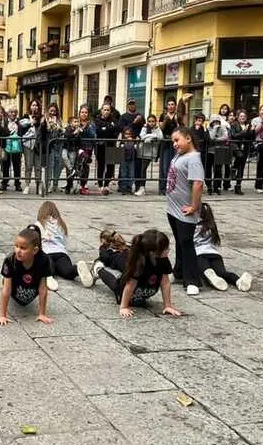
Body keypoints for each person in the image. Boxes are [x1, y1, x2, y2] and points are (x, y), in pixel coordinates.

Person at [99, 229, 182, 319]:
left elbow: (165, 282)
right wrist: (124, 307)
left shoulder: (163, 260)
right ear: (152, 252)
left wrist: (168, 305)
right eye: (165, 249)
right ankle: (98, 269)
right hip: (124, 290)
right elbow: (130, 285)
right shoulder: (139, 264)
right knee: (115, 281)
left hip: (142, 292)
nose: (168, 249)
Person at [166, 126, 205, 297]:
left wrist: (194, 206)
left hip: (185, 210)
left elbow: (198, 183)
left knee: (186, 242)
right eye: (173, 141)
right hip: (173, 208)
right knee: (179, 241)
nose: (174, 144)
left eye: (177, 140)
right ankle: (179, 271)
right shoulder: (180, 154)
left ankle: (192, 280)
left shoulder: (193, 158)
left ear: (188, 138)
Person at [0, 225, 53, 326]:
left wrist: (42, 314)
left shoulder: (43, 260)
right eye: (16, 246)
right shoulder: (10, 260)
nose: (18, 251)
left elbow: (43, 288)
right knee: (6, 281)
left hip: (32, 288)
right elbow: (7, 288)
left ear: (35, 250)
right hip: (15, 289)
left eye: (23, 248)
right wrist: (2, 315)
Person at [194, 203, 253, 292]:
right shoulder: (211, 225)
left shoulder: (194, 226)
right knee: (222, 273)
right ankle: (238, 281)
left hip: (199, 254)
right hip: (215, 254)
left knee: (205, 272)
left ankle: (210, 274)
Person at [35, 201, 78, 290]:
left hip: (46, 253)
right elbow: (64, 241)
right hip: (61, 253)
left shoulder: (38, 224)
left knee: (49, 267)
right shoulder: (61, 224)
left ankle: (48, 275)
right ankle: (77, 269)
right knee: (66, 271)